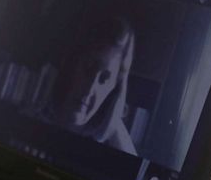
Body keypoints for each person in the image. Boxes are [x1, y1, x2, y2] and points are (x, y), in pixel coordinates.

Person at [40, 14, 138, 155]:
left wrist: (113, 122)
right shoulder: (33, 116)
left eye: (104, 78)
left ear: (113, 90)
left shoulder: (111, 143)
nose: (90, 88)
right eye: (89, 68)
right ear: (72, 66)